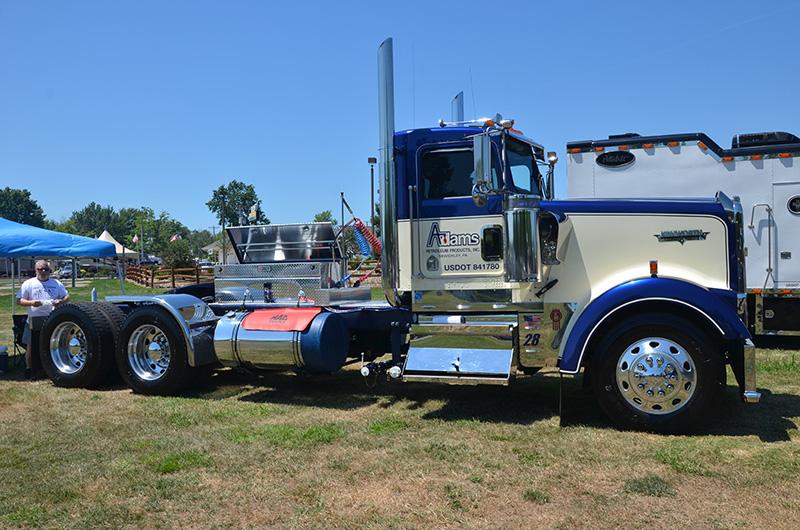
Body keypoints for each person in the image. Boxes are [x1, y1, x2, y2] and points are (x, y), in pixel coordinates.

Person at [16, 260, 70, 379]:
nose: (43, 271)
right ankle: (30, 368)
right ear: (35, 270)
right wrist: (32, 303)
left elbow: (66, 296)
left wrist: (61, 302)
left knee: (51, 344)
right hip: (33, 320)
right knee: (31, 345)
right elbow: (19, 300)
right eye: (40, 269)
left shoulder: (56, 283)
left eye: (46, 269)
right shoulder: (28, 283)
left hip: (53, 319)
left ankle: (51, 367)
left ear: (49, 271)